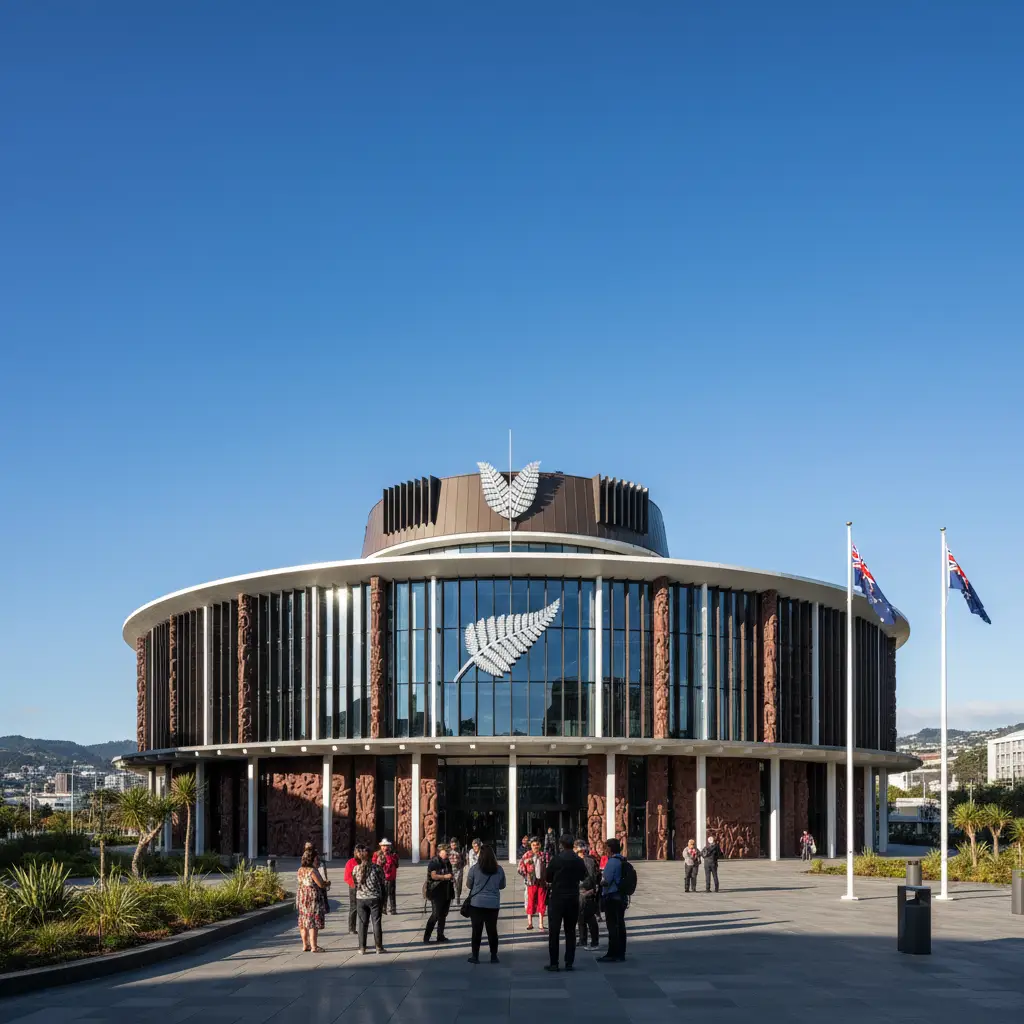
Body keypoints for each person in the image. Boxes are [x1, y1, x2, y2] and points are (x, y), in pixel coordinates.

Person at [545, 833, 587, 972]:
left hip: (557, 897)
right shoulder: (578, 860)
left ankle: (554, 963)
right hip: (572, 897)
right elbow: (583, 876)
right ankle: (569, 962)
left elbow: (548, 878)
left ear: (561, 844)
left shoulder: (556, 859)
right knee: (570, 931)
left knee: (554, 931)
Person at [465, 842, 506, 964]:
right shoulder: (499, 870)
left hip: (476, 904)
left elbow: (468, 885)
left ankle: (475, 956)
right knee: (492, 930)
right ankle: (494, 956)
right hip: (493, 904)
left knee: (476, 931)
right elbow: (502, 886)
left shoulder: (474, 869)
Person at [353, 844, 387, 954]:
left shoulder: (356, 869)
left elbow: (355, 883)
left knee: (362, 923)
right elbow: (382, 883)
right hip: (374, 898)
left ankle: (362, 948)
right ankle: (378, 947)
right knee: (376, 922)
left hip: (360, 898)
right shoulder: (377, 868)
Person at [597, 837, 626, 963]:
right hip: (621, 896)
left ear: (610, 848)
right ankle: (621, 953)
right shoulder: (622, 859)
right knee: (620, 925)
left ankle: (612, 952)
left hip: (612, 896)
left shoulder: (612, 862)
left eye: (606, 847)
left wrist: (600, 881)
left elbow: (606, 881)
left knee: (612, 926)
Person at [296, 847, 328, 952]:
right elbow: (321, 884)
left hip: (302, 897)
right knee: (313, 922)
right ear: (312, 859)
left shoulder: (300, 870)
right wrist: (327, 883)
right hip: (312, 898)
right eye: (316, 858)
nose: (317, 860)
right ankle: (314, 946)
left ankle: (305, 945)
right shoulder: (312, 871)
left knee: (304, 921)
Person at [423, 844, 455, 943]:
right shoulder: (434, 862)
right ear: (440, 852)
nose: (448, 854)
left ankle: (440, 935)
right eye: (446, 852)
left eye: (448, 852)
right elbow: (433, 876)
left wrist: (451, 877)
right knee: (435, 915)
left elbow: (450, 873)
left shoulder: (447, 862)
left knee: (443, 914)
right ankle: (426, 937)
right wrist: (446, 877)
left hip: (447, 891)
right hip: (436, 892)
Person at [518, 836, 549, 931]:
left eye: (537, 844)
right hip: (531, 882)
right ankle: (530, 923)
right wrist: (526, 874)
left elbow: (548, 867)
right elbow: (520, 868)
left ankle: (540, 923)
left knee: (542, 902)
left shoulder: (544, 855)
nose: (535, 846)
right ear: (530, 846)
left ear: (540, 845)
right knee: (530, 901)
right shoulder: (527, 855)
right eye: (533, 845)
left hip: (542, 882)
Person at [574, 840, 601, 950]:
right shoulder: (590, 860)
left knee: (588, 917)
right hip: (586, 891)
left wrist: (588, 889)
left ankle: (591, 941)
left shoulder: (586, 861)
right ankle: (583, 939)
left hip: (584, 892)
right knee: (582, 918)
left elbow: (590, 878)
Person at [373, 838, 399, 914]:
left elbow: (396, 864)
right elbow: (374, 865)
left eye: (386, 846)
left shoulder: (393, 854)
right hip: (381, 877)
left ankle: (393, 908)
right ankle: (383, 908)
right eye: (383, 846)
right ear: (381, 846)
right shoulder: (377, 854)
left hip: (391, 876)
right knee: (383, 893)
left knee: (392, 893)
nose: (385, 847)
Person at [343, 846, 360, 934]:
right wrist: (354, 885)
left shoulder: (366, 861)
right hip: (354, 887)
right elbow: (347, 877)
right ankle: (352, 928)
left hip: (365, 888)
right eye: (358, 852)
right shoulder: (351, 862)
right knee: (354, 907)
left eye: (362, 852)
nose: (360, 854)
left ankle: (363, 926)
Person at [449, 839, 465, 905]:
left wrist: (461, 867)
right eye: (452, 845)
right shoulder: (448, 851)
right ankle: (454, 899)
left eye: (454, 845)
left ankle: (457, 897)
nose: (453, 846)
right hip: (451, 869)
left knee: (458, 884)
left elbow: (464, 860)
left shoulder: (460, 851)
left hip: (458, 869)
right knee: (453, 884)